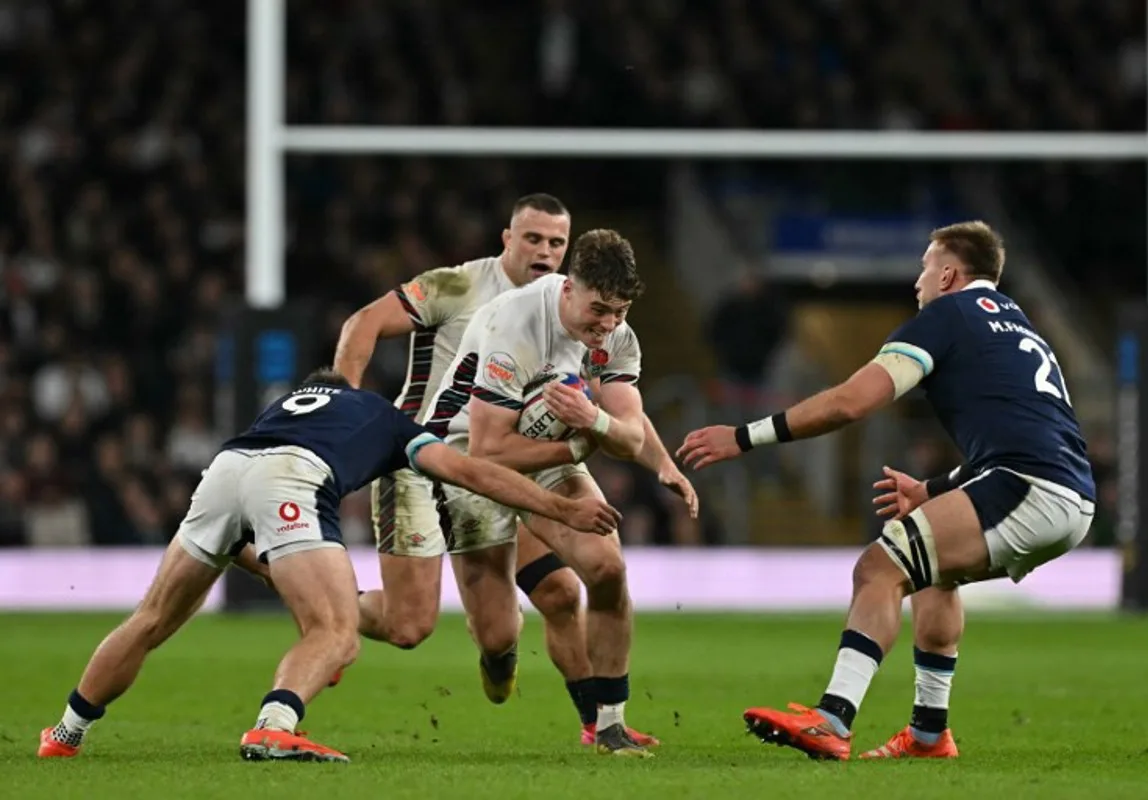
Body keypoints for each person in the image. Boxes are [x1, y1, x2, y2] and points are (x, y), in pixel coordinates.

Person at [37, 368, 621, 763]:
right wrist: (559, 506)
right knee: (336, 634)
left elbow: (249, 527)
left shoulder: (281, 409)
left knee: (150, 619)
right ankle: (274, 726)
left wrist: (268, 566)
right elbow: (470, 472)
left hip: (226, 468)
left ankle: (65, 733)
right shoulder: (382, 416)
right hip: (291, 477)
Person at [678, 221, 1095, 761]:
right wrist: (933, 488)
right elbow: (1021, 434)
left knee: (878, 569)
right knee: (934, 576)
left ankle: (833, 719)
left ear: (948, 273)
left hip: (1024, 487)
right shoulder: (1020, 325)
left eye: (925, 267)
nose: (918, 281)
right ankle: (928, 733)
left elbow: (852, 401)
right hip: (1071, 497)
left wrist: (744, 435)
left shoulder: (946, 316)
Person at [334, 194, 695, 747]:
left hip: (528, 443)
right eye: (533, 239)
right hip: (440, 456)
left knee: (579, 581)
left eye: (556, 243)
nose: (544, 251)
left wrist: (656, 461)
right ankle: (325, 605)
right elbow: (485, 450)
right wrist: (346, 407)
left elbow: (626, 424)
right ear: (507, 239)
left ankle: (602, 725)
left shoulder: (602, 322)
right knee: (416, 627)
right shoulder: (470, 294)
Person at [420, 228, 658, 756]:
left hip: (546, 445)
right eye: (600, 310)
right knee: (499, 634)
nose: (609, 325)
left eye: (619, 311)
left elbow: (631, 436)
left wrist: (592, 419)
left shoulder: (615, 334)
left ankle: (608, 724)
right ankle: (497, 655)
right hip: (465, 460)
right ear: (567, 287)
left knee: (603, 570)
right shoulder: (516, 324)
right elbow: (489, 452)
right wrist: (577, 447)